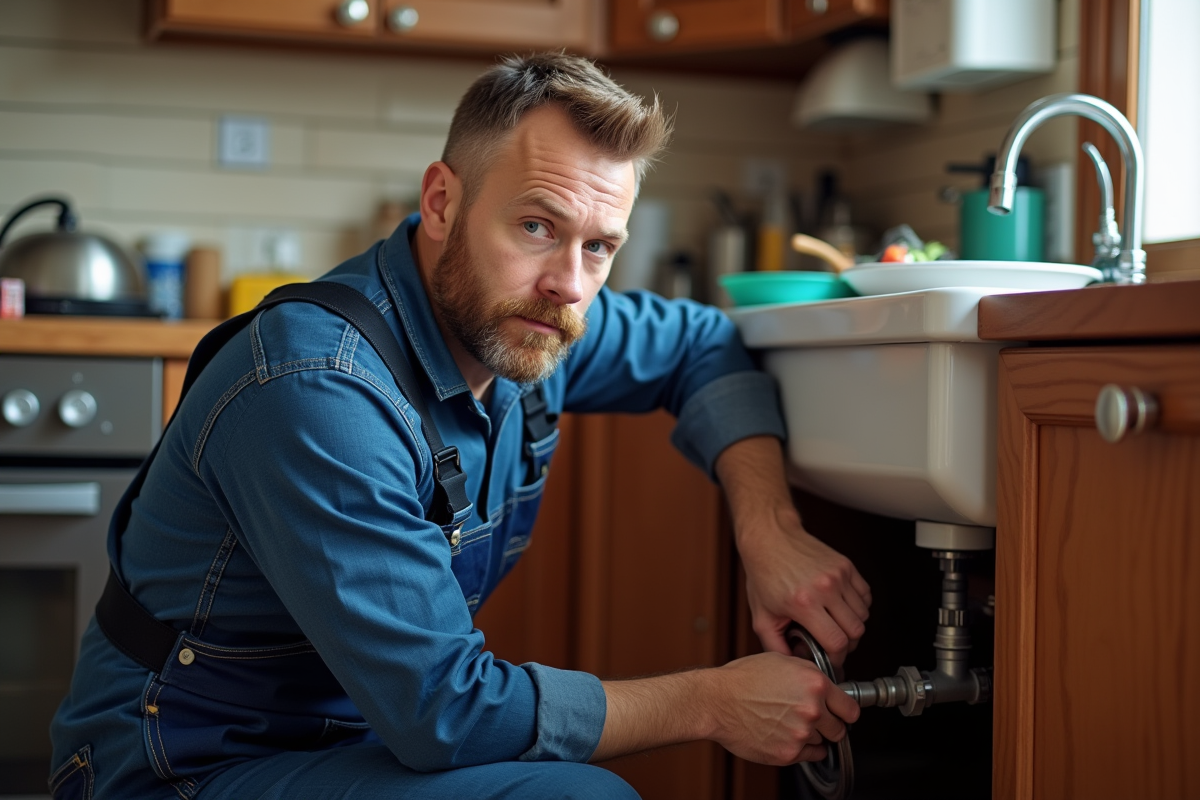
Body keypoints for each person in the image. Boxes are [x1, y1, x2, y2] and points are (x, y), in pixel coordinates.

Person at [48, 52, 870, 800]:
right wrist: (713, 703)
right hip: (182, 763)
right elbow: (446, 711)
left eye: (599, 247)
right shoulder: (318, 390)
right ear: (442, 202)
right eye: (537, 226)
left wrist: (769, 530)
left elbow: (704, 345)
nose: (569, 283)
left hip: (355, 741)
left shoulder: (533, 322)